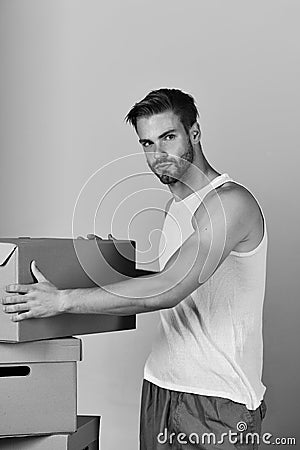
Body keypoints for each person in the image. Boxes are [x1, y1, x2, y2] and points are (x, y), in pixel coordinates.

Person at [2, 88, 267, 449]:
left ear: (194, 133)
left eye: (168, 137)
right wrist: (107, 267)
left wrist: (61, 300)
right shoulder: (176, 209)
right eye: (146, 143)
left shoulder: (230, 204)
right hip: (161, 385)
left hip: (216, 400)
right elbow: (176, 283)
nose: (158, 155)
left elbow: (169, 288)